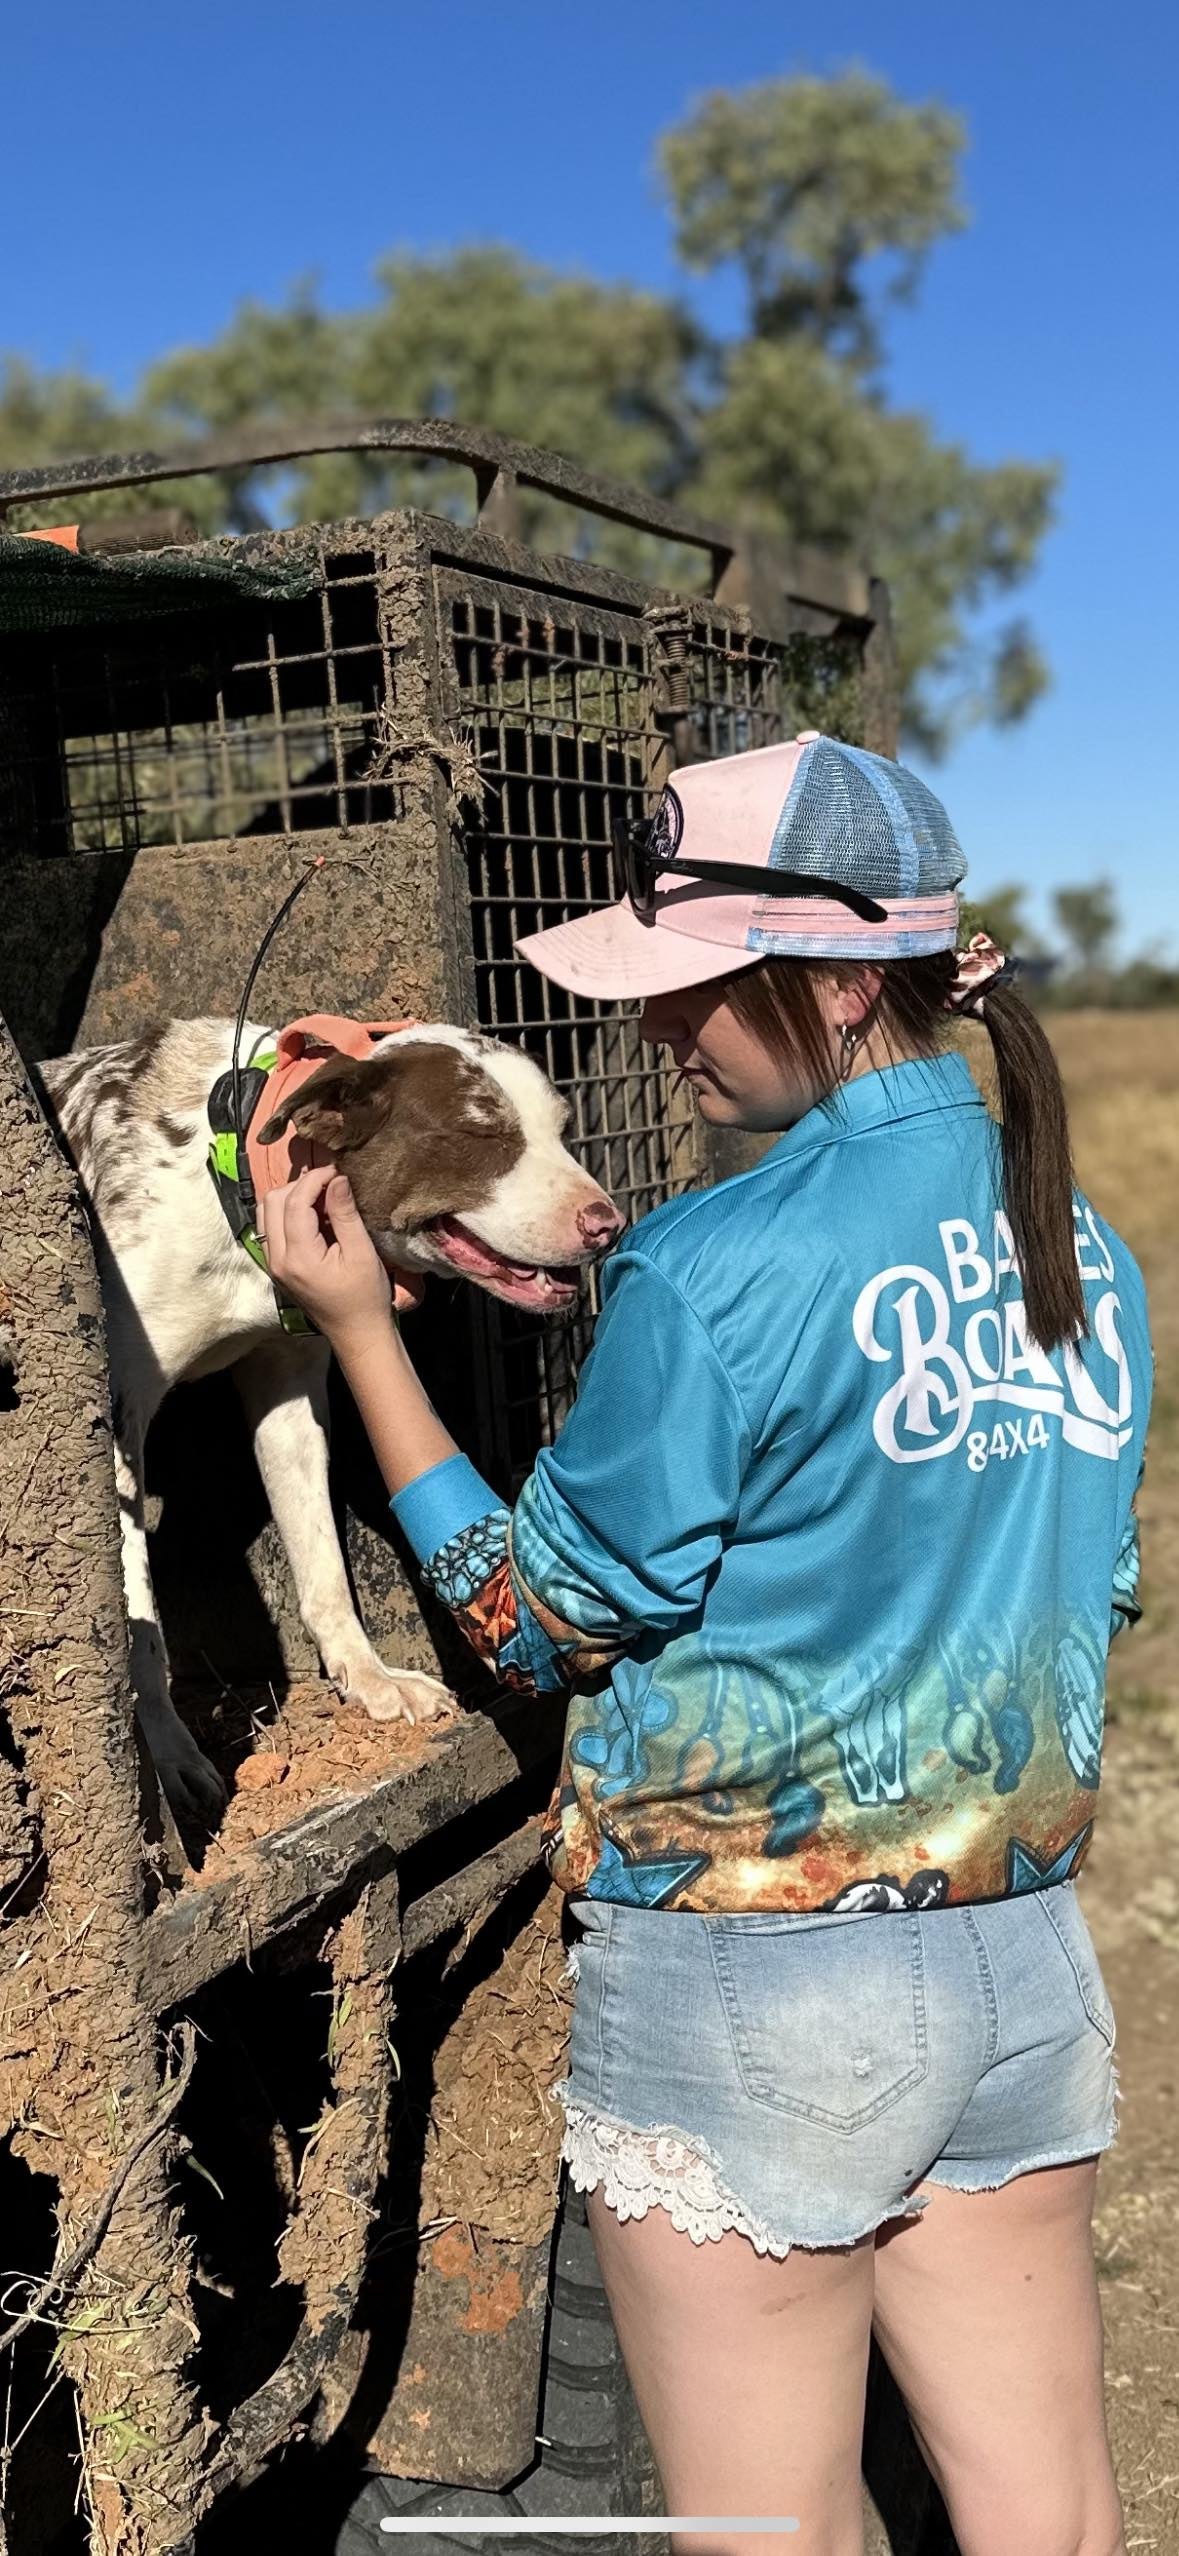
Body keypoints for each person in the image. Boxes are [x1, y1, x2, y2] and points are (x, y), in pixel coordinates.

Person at [260, 732, 1150, 2556]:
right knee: (1049, 2513)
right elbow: (1087, 1586)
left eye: (693, 991)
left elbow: (535, 1617)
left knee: (766, 2529)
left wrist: (361, 1329)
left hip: (760, 1986)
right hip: (1023, 1962)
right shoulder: (1093, 1248)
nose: (663, 1035)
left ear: (830, 981)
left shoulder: (712, 1263)